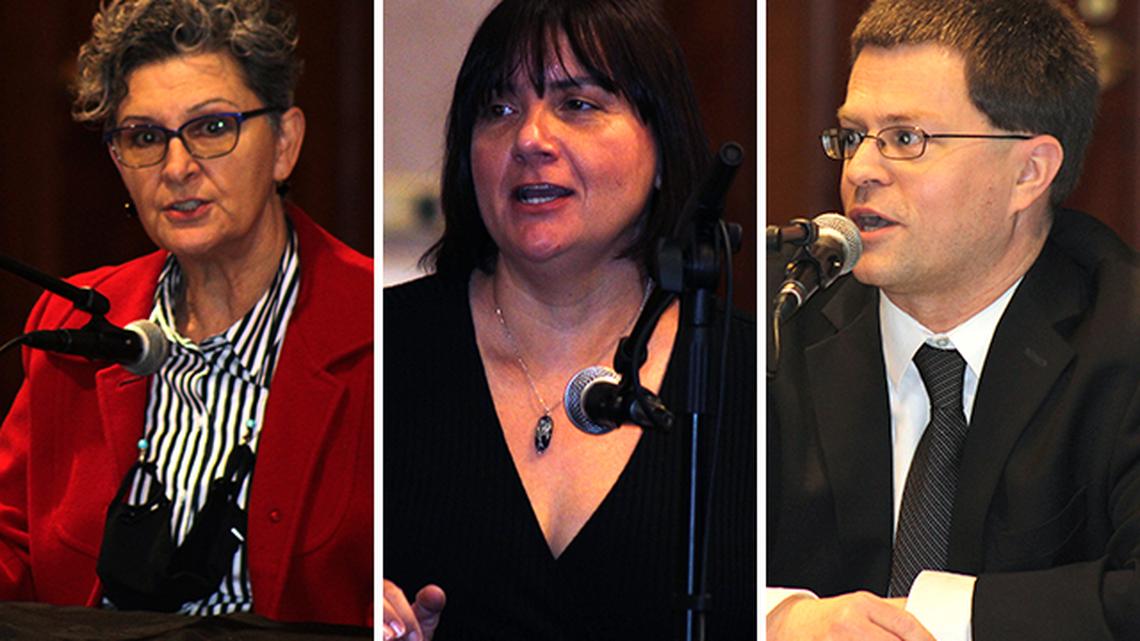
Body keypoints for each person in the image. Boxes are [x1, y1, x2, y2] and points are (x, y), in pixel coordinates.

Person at [766, 0, 1140, 639]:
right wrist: (779, 618)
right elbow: (663, 562)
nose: (859, 171)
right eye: (852, 136)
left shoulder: (1123, 336)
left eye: (906, 139)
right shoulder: (783, 318)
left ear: (1029, 171)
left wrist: (929, 622)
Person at [383, 0, 756, 639]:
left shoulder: (756, 375)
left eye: (577, 104)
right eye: (499, 109)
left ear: (661, 145)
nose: (529, 138)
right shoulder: (384, 351)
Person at [0, 0, 372, 627]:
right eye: (144, 137)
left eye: (211, 128)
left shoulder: (373, 328)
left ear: (284, 144)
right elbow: (12, 545)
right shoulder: (76, 323)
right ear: (120, 163)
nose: (177, 168)